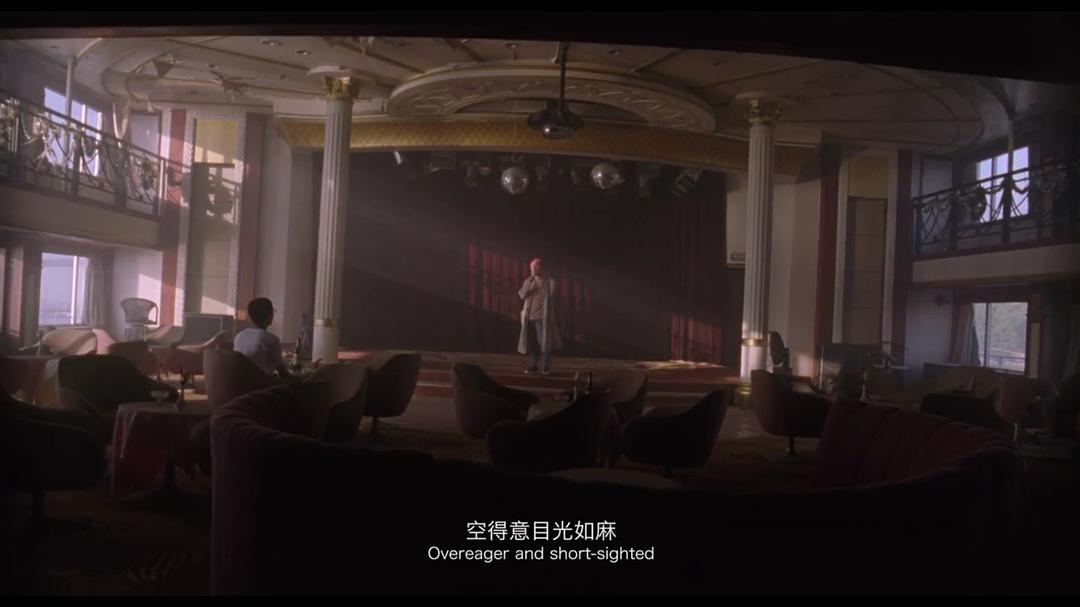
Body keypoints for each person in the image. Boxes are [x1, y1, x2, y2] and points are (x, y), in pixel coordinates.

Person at [517, 258, 561, 375]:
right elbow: (522, 294)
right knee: (532, 344)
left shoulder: (549, 282)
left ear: (541, 268)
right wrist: (531, 281)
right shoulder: (529, 281)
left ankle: (546, 367)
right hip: (529, 317)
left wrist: (541, 279)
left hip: (542, 318)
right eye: (532, 267)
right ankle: (534, 365)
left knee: (544, 343)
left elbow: (551, 292)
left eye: (535, 267)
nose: (533, 269)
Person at [233, 297, 295, 379]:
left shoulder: (239, 336)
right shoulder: (272, 340)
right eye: (273, 312)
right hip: (262, 385)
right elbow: (284, 374)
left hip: (240, 383)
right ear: (269, 316)